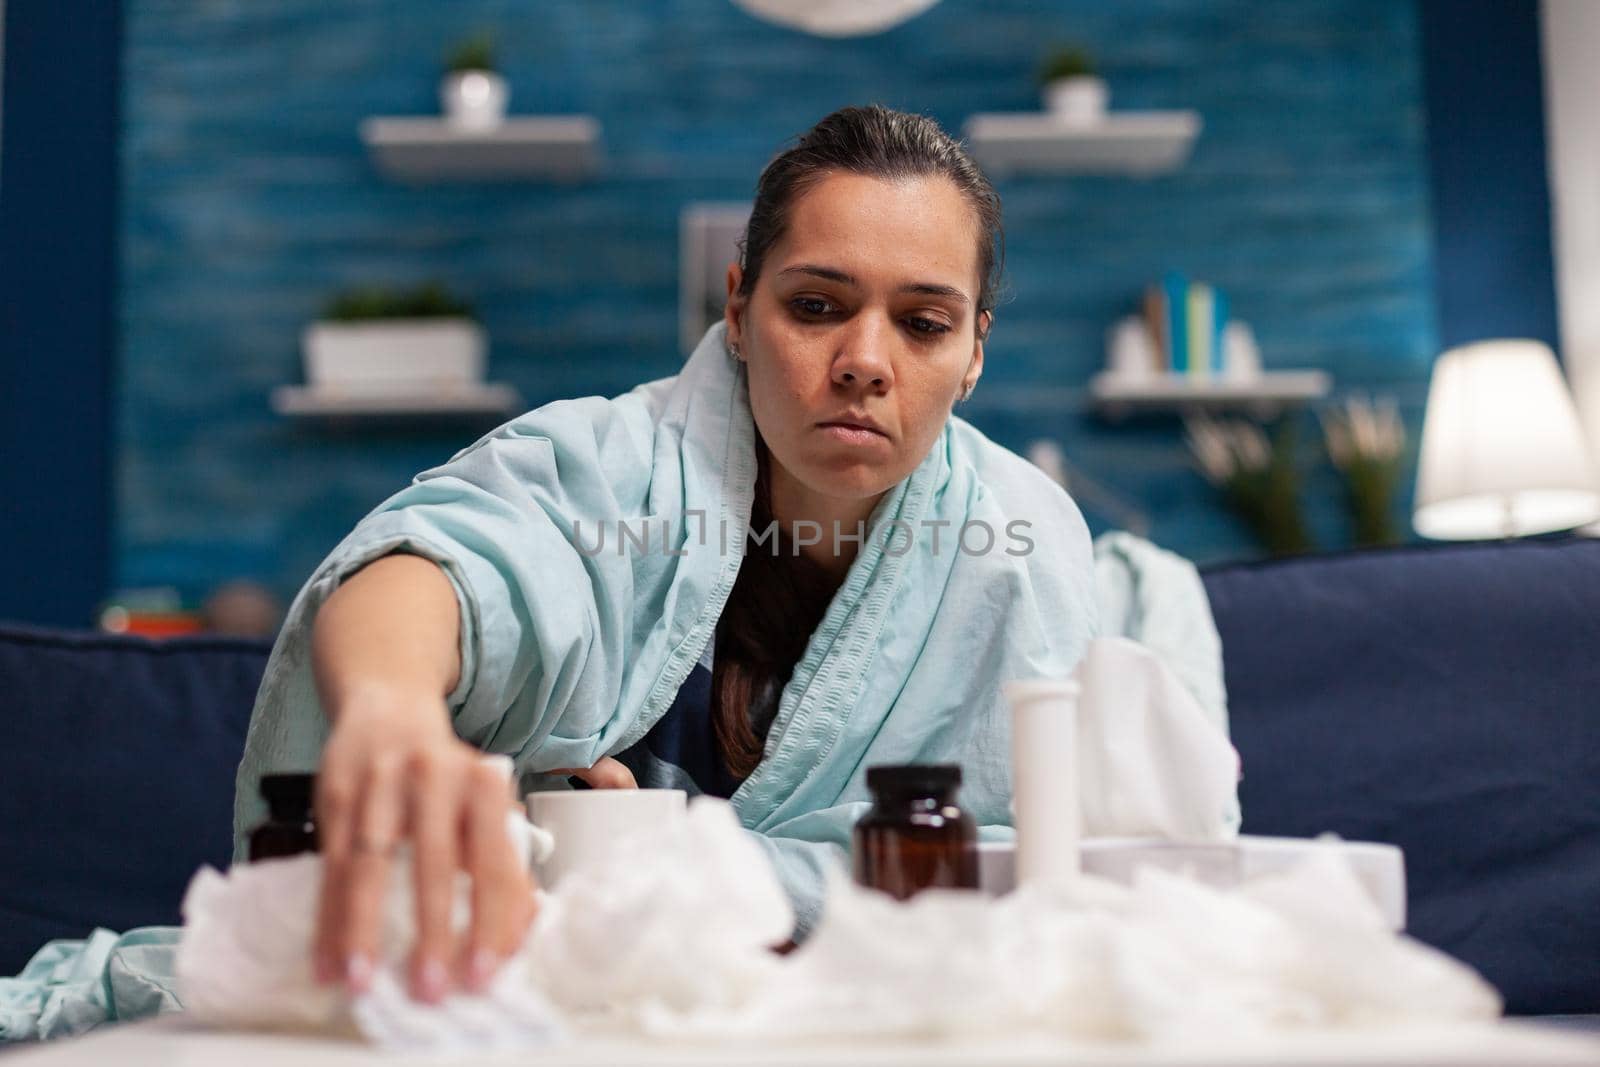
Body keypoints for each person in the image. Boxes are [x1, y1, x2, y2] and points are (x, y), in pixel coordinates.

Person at [232, 104, 1098, 1007]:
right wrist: (389, 711)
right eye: (815, 306)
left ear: (973, 355)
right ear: (737, 308)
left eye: (923, 323)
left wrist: (680, 861)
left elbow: (1030, 890)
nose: (865, 361)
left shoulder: (1019, 552)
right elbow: (448, 562)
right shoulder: (609, 468)